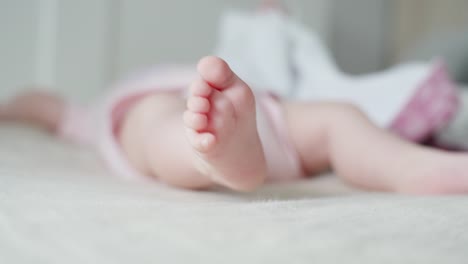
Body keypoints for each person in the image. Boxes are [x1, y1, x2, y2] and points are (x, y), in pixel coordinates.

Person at [2, 56, 468, 195]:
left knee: (160, 127)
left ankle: (212, 153)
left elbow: (47, 106)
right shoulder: (112, 110)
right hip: (269, 116)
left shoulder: (92, 114)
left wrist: (12, 108)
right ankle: (215, 155)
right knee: (337, 122)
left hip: (255, 110)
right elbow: (47, 107)